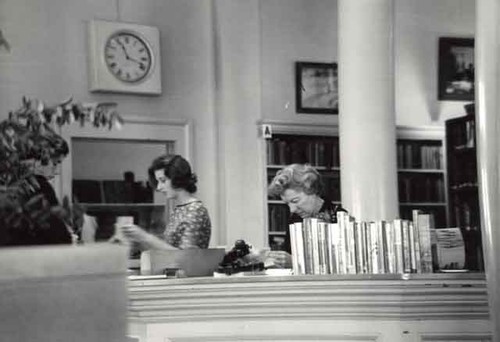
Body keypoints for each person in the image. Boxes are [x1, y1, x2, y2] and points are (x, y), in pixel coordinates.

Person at [119, 154, 211, 250]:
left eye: (163, 181)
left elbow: (186, 258)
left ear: (177, 179)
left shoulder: (195, 211)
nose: (159, 187)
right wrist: (138, 240)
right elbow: (167, 249)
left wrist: (144, 237)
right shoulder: (180, 209)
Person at [266, 163, 346, 266]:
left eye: (295, 201)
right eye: (287, 204)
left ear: (312, 189)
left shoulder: (340, 217)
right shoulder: (295, 219)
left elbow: (343, 264)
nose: (292, 209)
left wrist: (297, 262)